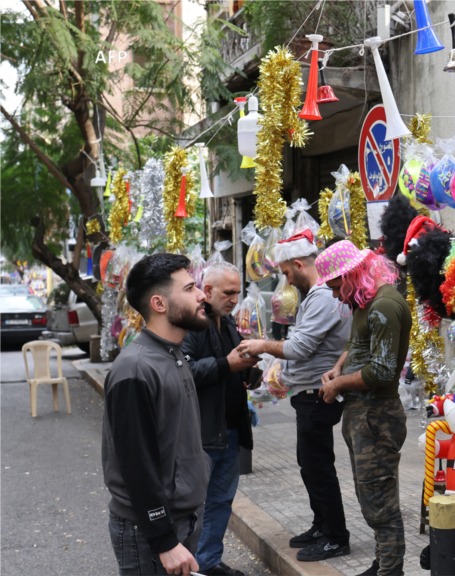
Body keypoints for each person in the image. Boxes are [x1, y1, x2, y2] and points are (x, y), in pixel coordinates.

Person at [236, 230, 353, 562]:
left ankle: (336, 536)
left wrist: (263, 346)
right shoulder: (318, 294)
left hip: (317, 393)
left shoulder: (322, 296)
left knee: (317, 466)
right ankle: (322, 525)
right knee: (310, 464)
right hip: (307, 392)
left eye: (287, 273)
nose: (287, 281)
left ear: (299, 264)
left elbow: (300, 347)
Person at [102, 253, 211, 576]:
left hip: (182, 520)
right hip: (150, 533)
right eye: (190, 289)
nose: (202, 295)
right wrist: (163, 540)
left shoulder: (173, 355)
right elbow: (136, 462)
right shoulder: (135, 368)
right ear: (160, 304)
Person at [317, 241, 411, 576]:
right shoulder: (366, 301)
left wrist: (336, 385)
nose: (333, 294)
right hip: (363, 415)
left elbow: (381, 371)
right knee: (371, 497)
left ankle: (390, 571)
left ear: (351, 274)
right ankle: (382, 564)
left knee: (381, 503)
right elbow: (357, 343)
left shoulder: (384, 305)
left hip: (376, 416)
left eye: (334, 286)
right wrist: (339, 367)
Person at [182, 262, 260, 576]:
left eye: (237, 293)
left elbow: (234, 362)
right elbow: (183, 372)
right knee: (195, 507)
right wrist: (227, 365)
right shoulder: (191, 323)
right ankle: (190, 564)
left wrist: (251, 372)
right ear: (209, 290)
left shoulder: (226, 323)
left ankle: (208, 562)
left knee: (221, 502)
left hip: (229, 431)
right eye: (228, 293)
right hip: (202, 434)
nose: (233, 299)